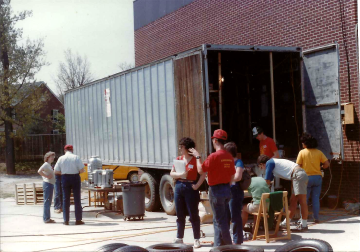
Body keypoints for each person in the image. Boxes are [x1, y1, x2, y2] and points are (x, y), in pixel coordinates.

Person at [190, 129, 235, 246]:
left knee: (220, 221)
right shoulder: (229, 156)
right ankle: (218, 246)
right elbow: (232, 175)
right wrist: (227, 186)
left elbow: (200, 170)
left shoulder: (213, 156)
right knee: (218, 219)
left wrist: (198, 157)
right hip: (226, 189)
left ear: (215, 141)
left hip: (216, 191)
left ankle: (229, 246)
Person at [170, 137, 206, 249]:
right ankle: (179, 237)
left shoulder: (195, 160)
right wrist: (180, 175)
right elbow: (172, 173)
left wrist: (197, 186)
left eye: (182, 147)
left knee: (193, 214)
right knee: (179, 214)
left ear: (187, 148)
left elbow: (203, 174)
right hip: (179, 186)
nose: (180, 149)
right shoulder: (178, 159)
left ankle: (196, 239)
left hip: (191, 187)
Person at [257, 154, 309, 231]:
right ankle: (285, 223)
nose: (263, 169)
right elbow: (269, 180)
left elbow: (267, 181)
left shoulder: (269, 163)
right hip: (297, 176)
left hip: (297, 175)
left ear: (262, 164)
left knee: (302, 201)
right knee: (293, 201)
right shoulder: (273, 163)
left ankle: (304, 225)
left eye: (261, 167)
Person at [296, 133, 329, 223]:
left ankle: (303, 218)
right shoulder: (319, 152)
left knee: (304, 200)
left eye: (303, 143)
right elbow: (327, 164)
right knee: (315, 199)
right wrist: (321, 167)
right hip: (317, 178)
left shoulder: (302, 152)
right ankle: (316, 217)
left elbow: (298, 166)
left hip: (306, 178)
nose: (302, 144)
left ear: (305, 143)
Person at [54, 145, 85, 225]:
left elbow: (56, 171)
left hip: (65, 178)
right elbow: (82, 170)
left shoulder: (61, 158)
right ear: (72, 150)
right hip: (75, 177)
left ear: (64, 150)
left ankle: (66, 220)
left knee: (65, 199)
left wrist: (64, 173)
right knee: (77, 199)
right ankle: (78, 220)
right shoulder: (76, 157)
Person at [224, 142, 244, 244]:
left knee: (235, 216)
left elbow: (238, 177)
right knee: (226, 216)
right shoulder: (226, 162)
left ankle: (237, 241)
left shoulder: (238, 162)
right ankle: (226, 239)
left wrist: (225, 179)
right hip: (226, 190)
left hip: (235, 191)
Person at [38, 151, 56, 223]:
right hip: (47, 184)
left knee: (48, 201)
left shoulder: (49, 165)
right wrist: (46, 176)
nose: (53, 158)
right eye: (52, 157)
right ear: (48, 157)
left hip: (50, 184)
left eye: (53, 157)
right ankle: (46, 218)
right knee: (47, 201)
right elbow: (39, 171)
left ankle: (47, 217)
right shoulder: (45, 164)